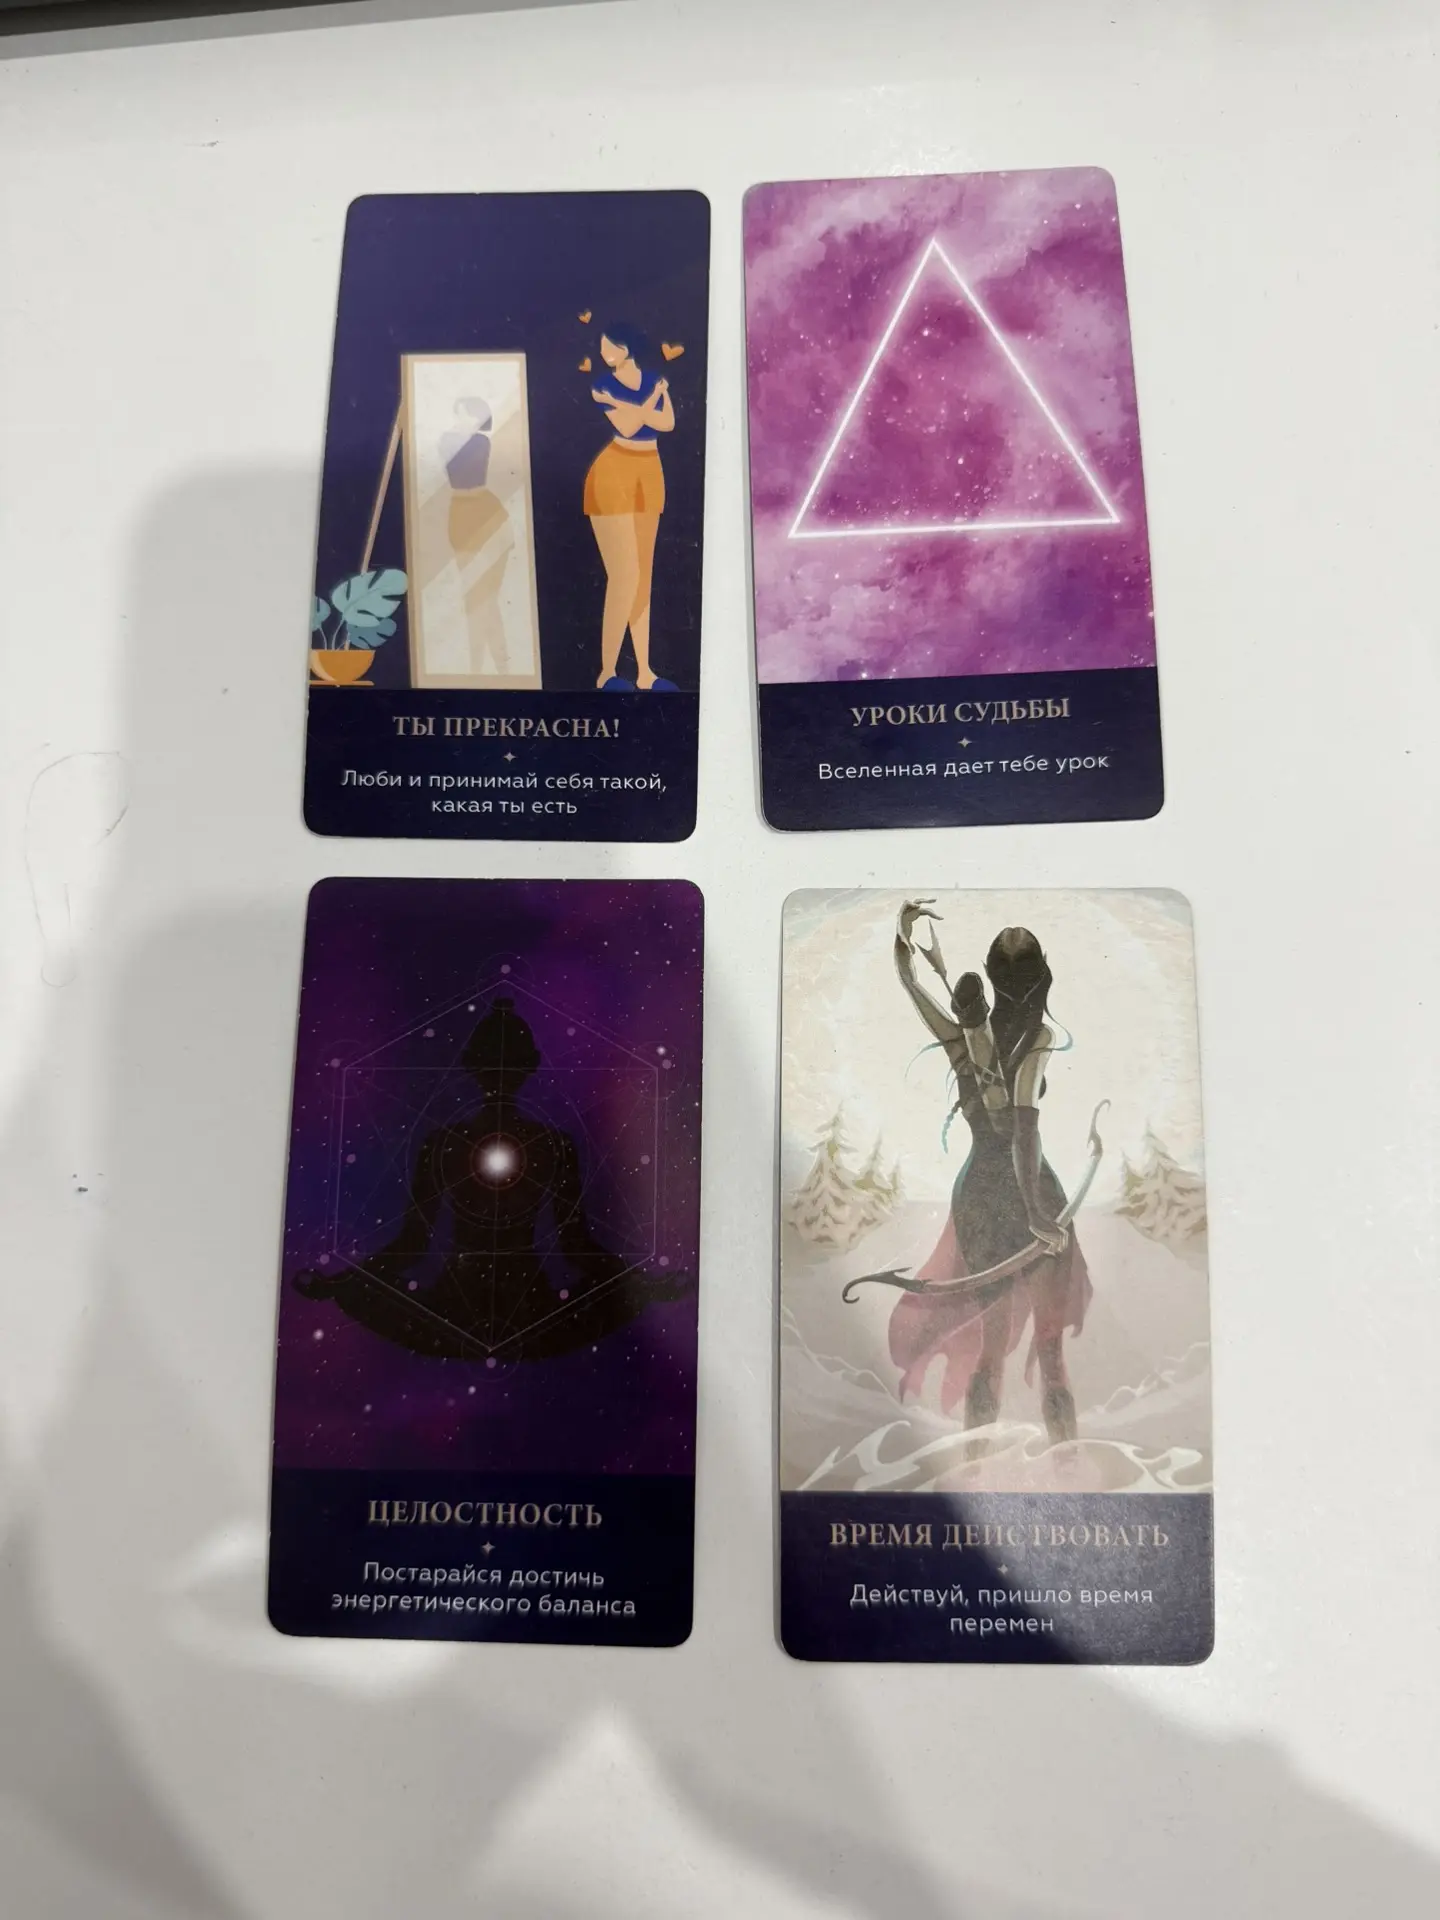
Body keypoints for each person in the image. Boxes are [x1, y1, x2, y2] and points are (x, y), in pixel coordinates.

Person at [294, 997, 687, 1361]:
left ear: (471, 1065)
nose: (499, 1074)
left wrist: (345, 1284)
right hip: (505, 1304)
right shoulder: (531, 1144)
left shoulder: (462, 1143)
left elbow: (413, 1245)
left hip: (490, 1305)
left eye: (505, 1063)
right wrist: (345, 1284)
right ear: (529, 1065)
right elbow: (576, 1248)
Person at [887, 900, 1091, 1444]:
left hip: (978, 1192)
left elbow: (910, 985)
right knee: (1050, 1352)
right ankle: (1066, 1462)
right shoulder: (1038, 1038)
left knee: (990, 1348)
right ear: (1042, 978)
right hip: (1029, 1188)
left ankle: (976, 1467)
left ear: (992, 977)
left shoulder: (962, 1036)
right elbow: (1023, 1131)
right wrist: (1037, 1214)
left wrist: (903, 945)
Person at [583, 322, 677, 692]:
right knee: (624, 575)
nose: (604, 353)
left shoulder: (651, 378)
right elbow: (627, 426)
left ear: (627, 347)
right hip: (614, 471)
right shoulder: (603, 384)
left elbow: (666, 423)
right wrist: (651, 400)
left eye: (610, 346)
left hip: (649, 471)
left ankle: (644, 672)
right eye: (602, 347)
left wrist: (638, 406)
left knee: (643, 577)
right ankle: (607, 672)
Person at [436, 397, 515, 678]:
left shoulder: (482, 442)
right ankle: (488, 668)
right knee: (477, 598)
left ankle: (487, 668)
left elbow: (468, 457)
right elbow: (452, 459)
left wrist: (465, 431)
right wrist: (460, 430)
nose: (459, 420)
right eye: (457, 415)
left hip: (489, 515)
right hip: (461, 517)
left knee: (486, 598)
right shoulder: (447, 440)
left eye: (466, 415)